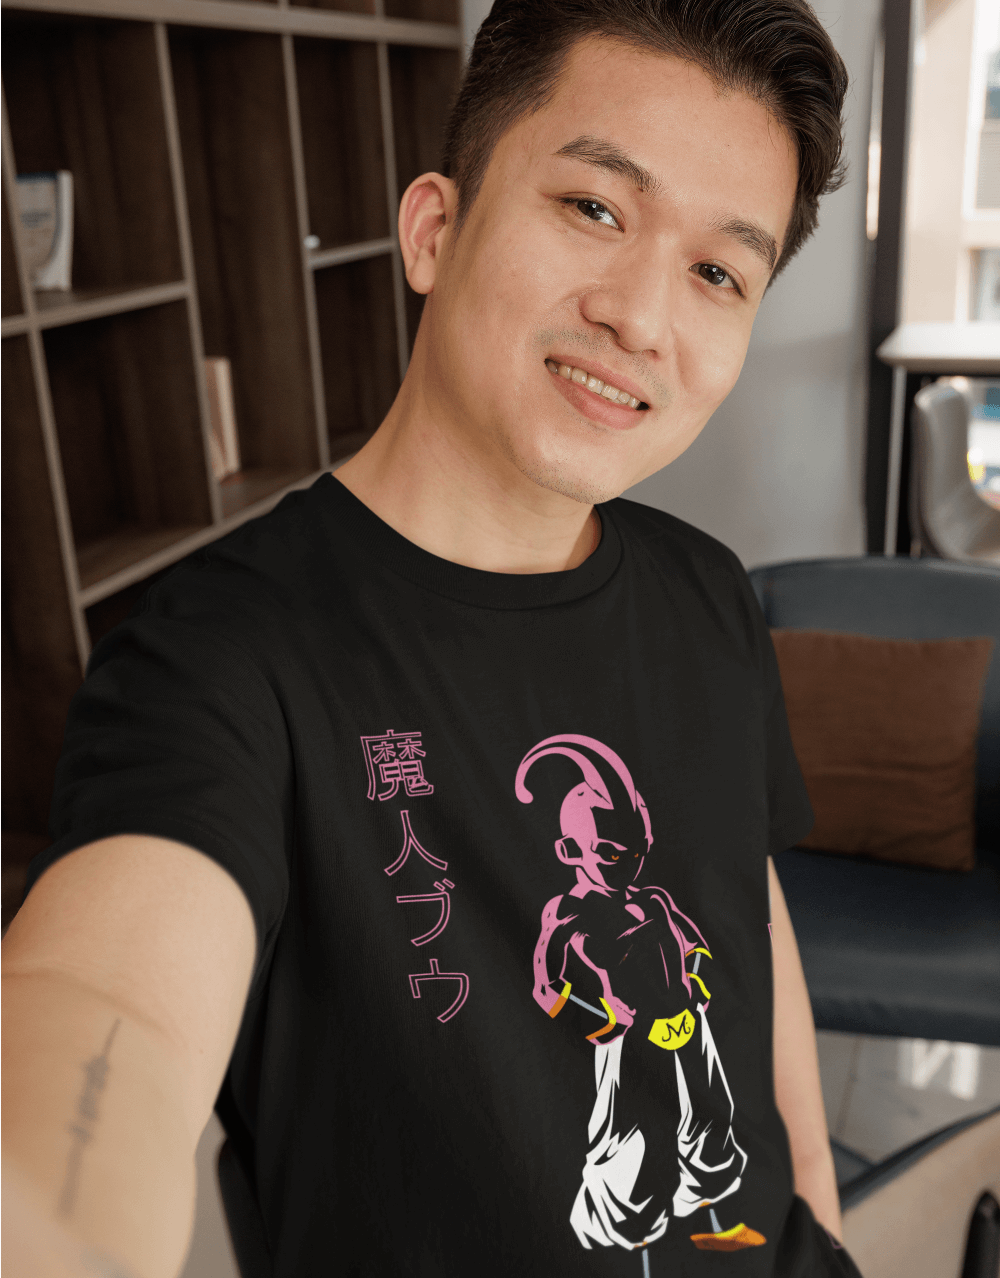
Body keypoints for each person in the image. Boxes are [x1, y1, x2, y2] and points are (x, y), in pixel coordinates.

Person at [0, 0, 862, 1274]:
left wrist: (819, 1211)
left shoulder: (706, 590)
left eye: (717, 273)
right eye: (593, 207)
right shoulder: (219, 657)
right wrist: (56, 1208)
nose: (640, 318)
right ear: (433, 230)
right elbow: (105, 1002)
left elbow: (744, 916)